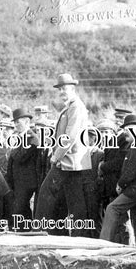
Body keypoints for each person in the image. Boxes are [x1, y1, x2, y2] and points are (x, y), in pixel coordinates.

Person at [35, 73, 92, 237]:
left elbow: (71, 135)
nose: (61, 92)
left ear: (73, 88)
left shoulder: (76, 107)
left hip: (68, 161)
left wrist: (56, 156)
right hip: (71, 162)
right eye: (59, 89)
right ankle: (78, 237)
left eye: (64, 88)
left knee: (46, 191)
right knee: (75, 201)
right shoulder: (71, 107)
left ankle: (40, 230)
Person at [100, 115, 136, 246]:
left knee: (112, 209)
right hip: (135, 190)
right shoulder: (134, 145)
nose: (126, 131)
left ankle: (104, 243)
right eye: (126, 128)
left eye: (130, 128)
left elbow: (133, 169)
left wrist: (120, 184)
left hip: (135, 190)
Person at [6, 108, 39, 229]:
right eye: (14, 122)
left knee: (18, 209)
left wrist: (11, 149)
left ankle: (20, 233)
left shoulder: (31, 138)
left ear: (26, 121)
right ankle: (26, 233)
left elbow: (20, 157)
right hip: (18, 180)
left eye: (17, 122)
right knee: (22, 209)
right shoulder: (20, 137)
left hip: (26, 181)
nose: (15, 125)